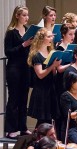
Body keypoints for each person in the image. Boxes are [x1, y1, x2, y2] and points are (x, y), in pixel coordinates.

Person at [4, 5, 32, 138]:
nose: (26, 18)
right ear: (17, 16)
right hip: (14, 69)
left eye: (27, 15)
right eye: (24, 15)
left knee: (23, 98)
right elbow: (8, 52)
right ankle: (11, 129)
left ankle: (22, 126)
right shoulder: (11, 32)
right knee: (14, 98)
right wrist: (23, 45)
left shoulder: (27, 31)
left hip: (25, 68)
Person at [27, 28, 61, 127]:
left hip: (50, 89)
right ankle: (36, 140)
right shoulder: (36, 55)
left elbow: (53, 73)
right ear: (42, 39)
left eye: (52, 36)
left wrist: (55, 67)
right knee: (42, 121)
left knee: (48, 120)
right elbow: (40, 74)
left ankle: (42, 140)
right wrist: (52, 66)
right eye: (49, 36)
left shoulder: (51, 53)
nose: (52, 38)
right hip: (41, 90)